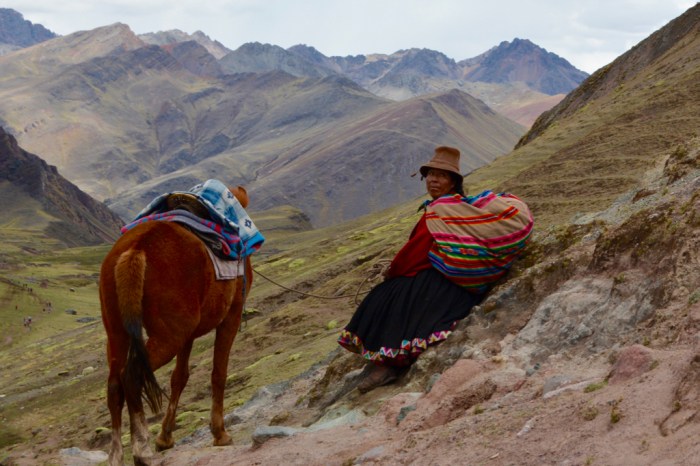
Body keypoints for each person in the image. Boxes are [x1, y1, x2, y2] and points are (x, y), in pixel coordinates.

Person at [338, 146, 489, 393]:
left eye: (441, 175)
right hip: (456, 280)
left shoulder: (440, 209)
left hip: (444, 280)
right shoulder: (455, 205)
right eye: (430, 174)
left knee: (389, 295)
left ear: (453, 182)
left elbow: (416, 252)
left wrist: (393, 271)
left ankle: (390, 363)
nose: (433, 180)